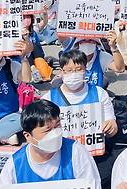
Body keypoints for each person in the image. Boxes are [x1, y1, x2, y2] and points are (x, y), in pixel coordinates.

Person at [42, 49, 118, 186]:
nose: (74, 74)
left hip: (95, 155)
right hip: (63, 158)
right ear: (61, 72)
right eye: (69, 70)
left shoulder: (100, 94)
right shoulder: (49, 98)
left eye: (78, 69)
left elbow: (113, 126)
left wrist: (110, 126)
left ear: (85, 70)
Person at [0, 99, 101, 187]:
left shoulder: (76, 152)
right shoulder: (16, 163)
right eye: (47, 130)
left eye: (57, 126)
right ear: (28, 136)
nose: (55, 134)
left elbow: (92, 184)